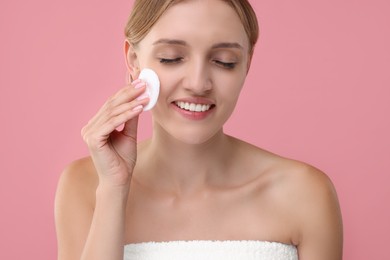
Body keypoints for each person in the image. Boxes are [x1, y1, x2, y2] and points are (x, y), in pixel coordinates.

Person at [55, 0, 343, 259]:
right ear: (133, 60)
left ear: (247, 64)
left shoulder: (304, 193)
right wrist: (113, 191)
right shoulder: (84, 185)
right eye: (171, 57)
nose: (198, 83)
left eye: (224, 62)